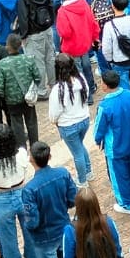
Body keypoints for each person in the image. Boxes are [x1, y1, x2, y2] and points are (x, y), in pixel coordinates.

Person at [23, 141, 80, 258]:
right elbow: (73, 199)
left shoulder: (30, 189)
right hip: (64, 229)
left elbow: (32, 221)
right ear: (49, 156)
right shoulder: (63, 174)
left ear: (31, 159)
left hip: (43, 238)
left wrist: (29, 227)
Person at [94, 69, 130, 213]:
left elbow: (98, 129)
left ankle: (126, 203)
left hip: (116, 147)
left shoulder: (105, 105)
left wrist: (98, 140)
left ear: (106, 85)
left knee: (119, 175)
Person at [0, 122, 36, 258]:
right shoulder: (21, 154)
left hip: (2, 197)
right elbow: (28, 172)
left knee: (8, 239)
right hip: (21, 193)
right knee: (30, 233)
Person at [48, 54, 93, 185]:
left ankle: (82, 180)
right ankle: (88, 171)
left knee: (77, 153)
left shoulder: (58, 89)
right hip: (84, 120)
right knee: (79, 146)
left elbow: (54, 113)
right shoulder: (81, 79)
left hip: (68, 126)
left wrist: (54, 121)